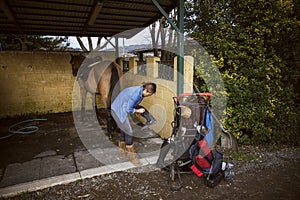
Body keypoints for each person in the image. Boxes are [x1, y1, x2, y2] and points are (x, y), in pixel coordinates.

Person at [111, 82, 157, 166]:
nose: (149, 95)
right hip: (118, 111)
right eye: (149, 94)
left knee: (123, 130)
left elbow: (131, 104)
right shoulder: (136, 94)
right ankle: (133, 158)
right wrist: (137, 111)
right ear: (146, 90)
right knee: (129, 131)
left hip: (118, 108)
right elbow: (129, 109)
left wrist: (140, 110)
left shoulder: (139, 91)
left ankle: (122, 153)